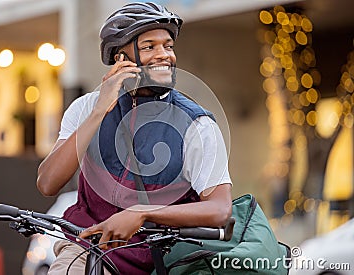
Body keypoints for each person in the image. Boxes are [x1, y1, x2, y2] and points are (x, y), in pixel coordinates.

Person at [37, 2, 232, 274]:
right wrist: (98, 113)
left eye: (168, 46)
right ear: (121, 59)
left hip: (163, 260)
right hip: (89, 251)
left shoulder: (196, 125)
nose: (164, 55)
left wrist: (142, 213)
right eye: (149, 46)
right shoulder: (85, 108)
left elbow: (220, 210)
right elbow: (48, 182)